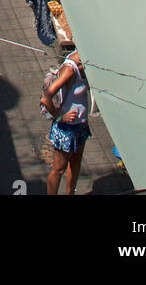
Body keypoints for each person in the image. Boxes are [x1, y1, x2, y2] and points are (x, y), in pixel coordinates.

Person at [42, 50, 91, 196]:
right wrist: (60, 116)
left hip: (80, 125)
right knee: (59, 168)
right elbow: (46, 98)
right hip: (66, 129)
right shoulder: (69, 70)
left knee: (75, 164)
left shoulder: (85, 65)